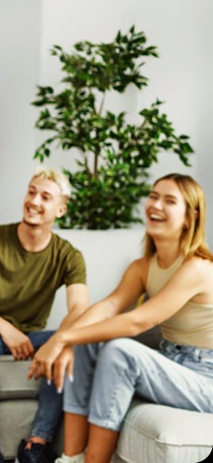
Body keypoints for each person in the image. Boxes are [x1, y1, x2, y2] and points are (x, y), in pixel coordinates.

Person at [28, 173, 213, 463]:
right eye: (153, 196)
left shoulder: (198, 268)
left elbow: (138, 322)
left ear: (191, 217)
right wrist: (69, 339)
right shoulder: (142, 267)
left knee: (119, 349)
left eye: (169, 201)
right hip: (170, 362)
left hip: (205, 378)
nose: (156, 205)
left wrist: (62, 336)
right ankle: (72, 457)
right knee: (88, 338)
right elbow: (109, 305)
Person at [0, 167, 89, 463]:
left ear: (61, 209)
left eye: (45, 196)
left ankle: (36, 444)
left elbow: (80, 309)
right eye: (31, 192)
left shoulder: (69, 255)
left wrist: (59, 341)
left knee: (69, 344)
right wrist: (7, 330)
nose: (35, 201)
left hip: (31, 335)